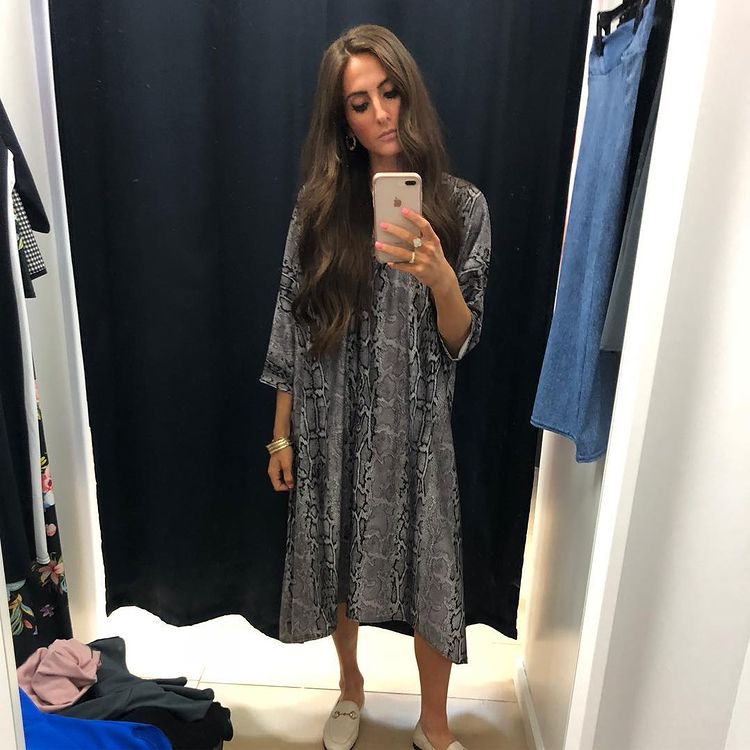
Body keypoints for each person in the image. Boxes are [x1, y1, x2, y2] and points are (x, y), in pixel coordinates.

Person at [260, 23, 491, 750]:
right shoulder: (319, 208)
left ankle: (434, 724)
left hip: (416, 425)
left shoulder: (462, 207)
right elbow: (292, 321)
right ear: (344, 122)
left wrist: (441, 278)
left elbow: (461, 338)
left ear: (409, 91)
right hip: (331, 418)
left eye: (389, 92)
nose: (381, 113)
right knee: (338, 559)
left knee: (432, 570)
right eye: (360, 104)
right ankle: (351, 687)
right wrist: (280, 434)